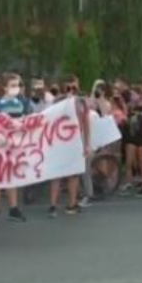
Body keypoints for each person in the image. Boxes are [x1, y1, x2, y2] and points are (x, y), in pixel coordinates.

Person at [0, 73, 30, 224]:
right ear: (4, 87)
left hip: (14, 145)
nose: (16, 88)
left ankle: (13, 209)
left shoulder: (22, 103)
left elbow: (29, 119)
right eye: (13, 85)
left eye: (18, 85)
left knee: (12, 176)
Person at [48, 76, 92, 217]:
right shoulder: (57, 101)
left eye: (74, 87)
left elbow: (86, 123)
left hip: (76, 142)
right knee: (56, 175)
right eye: (69, 87)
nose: (72, 90)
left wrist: (86, 144)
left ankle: (71, 204)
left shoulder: (81, 102)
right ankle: (53, 206)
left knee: (74, 174)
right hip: (59, 142)